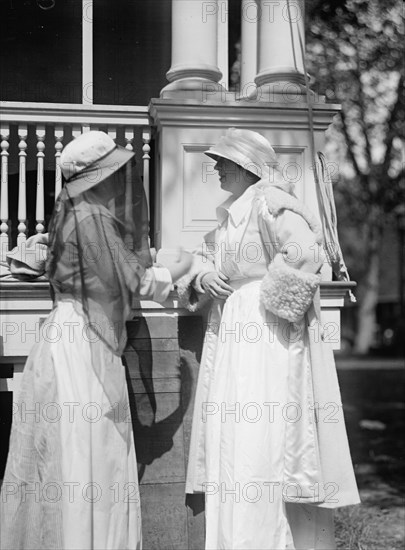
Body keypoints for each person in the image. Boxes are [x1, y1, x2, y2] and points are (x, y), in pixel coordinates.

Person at [0, 131, 192, 550]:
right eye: (115, 171)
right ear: (98, 177)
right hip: (81, 347)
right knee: (86, 453)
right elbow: (130, 280)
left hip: (67, 336)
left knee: (71, 453)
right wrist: (182, 266)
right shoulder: (92, 217)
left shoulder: (73, 214)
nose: (122, 179)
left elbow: (108, 266)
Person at [178, 128, 360, 549]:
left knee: (262, 435)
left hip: (266, 333)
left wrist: (271, 300)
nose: (217, 167)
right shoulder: (233, 212)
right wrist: (204, 276)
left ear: (247, 168)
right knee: (234, 432)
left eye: (224, 162)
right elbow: (204, 256)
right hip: (233, 331)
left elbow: (306, 253)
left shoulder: (272, 202)